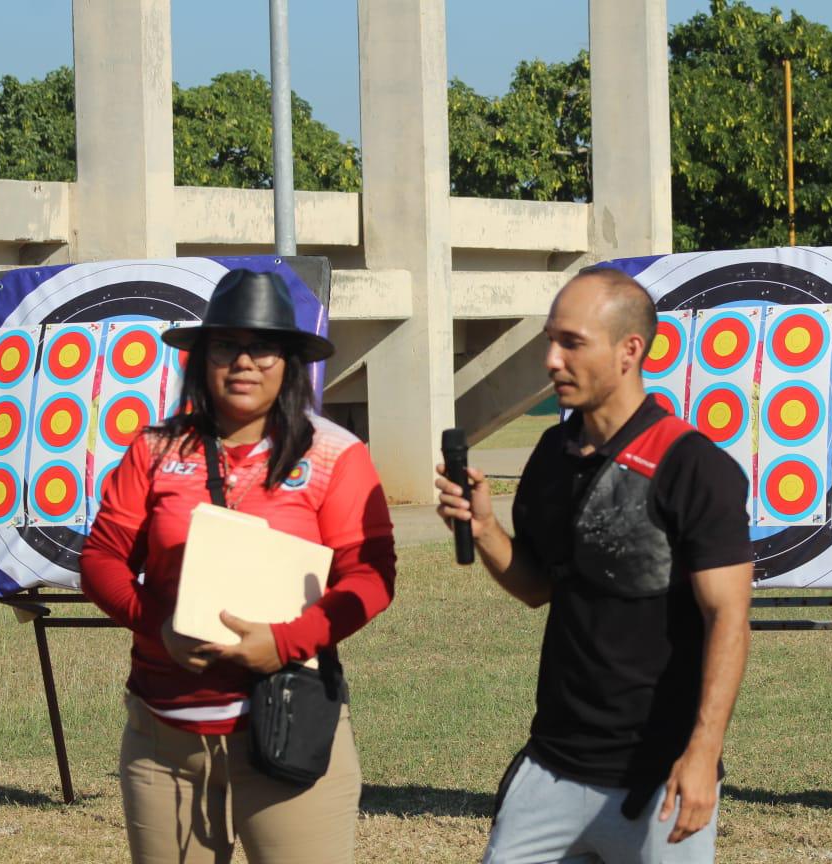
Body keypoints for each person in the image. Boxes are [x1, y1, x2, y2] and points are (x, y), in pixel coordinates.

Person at [435, 267, 754, 864]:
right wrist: (483, 529)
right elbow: (537, 587)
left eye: (572, 343)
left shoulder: (693, 466)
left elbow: (729, 618)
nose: (552, 359)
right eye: (550, 341)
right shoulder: (552, 454)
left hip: (657, 780)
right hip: (551, 763)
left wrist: (703, 754)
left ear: (630, 350)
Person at [81, 268, 396, 864]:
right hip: (163, 740)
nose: (244, 362)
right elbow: (101, 557)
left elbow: (372, 573)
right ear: (201, 358)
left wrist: (285, 642)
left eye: (264, 347)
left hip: (286, 728)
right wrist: (158, 626)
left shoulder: (335, 454)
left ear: (290, 363)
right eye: (226, 345)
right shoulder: (153, 449)